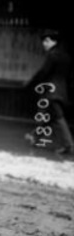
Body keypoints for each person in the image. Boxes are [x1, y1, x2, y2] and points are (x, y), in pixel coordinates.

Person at [26, 29, 73, 157]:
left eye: (47, 41)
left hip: (51, 92)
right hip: (61, 91)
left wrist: (30, 84)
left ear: (54, 42)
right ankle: (34, 137)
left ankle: (68, 145)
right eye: (43, 41)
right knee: (49, 115)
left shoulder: (53, 55)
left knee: (57, 117)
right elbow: (68, 77)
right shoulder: (66, 56)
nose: (44, 44)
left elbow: (43, 72)